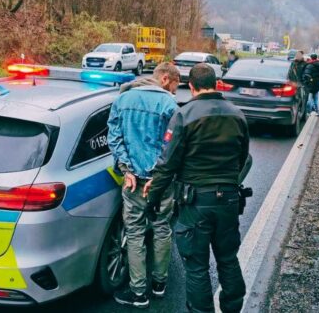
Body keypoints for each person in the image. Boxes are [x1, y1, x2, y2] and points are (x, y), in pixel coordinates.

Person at [147, 63, 250, 313]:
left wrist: (153, 199)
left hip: (195, 204)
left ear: (190, 86)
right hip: (228, 200)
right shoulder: (237, 114)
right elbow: (243, 157)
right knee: (227, 259)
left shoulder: (184, 115)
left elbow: (167, 163)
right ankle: (233, 307)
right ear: (215, 83)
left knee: (196, 267)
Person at [107, 62, 181, 309]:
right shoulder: (170, 105)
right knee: (162, 228)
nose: (175, 90)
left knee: (135, 232)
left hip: (133, 181)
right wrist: (158, 176)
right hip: (159, 182)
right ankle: (159, 284)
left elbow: (114, 138)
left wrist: (126, 169)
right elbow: (172, 147)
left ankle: (139, 293)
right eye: (175, 85)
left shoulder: (123, 99)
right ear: (164, 80)